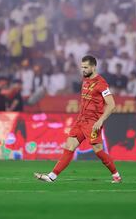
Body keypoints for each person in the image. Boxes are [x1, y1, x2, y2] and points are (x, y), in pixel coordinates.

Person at [34, 55, 122, 183]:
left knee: (98, 151)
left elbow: (112, 104)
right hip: (81, 120)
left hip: (93, 122)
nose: (83, 70)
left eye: (86, 67)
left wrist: (100, 120)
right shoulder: (85, 79)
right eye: (82, 67)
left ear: (93, 67)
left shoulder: (101, 83)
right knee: (69, 146)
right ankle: (52, 176)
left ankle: (116, 175)